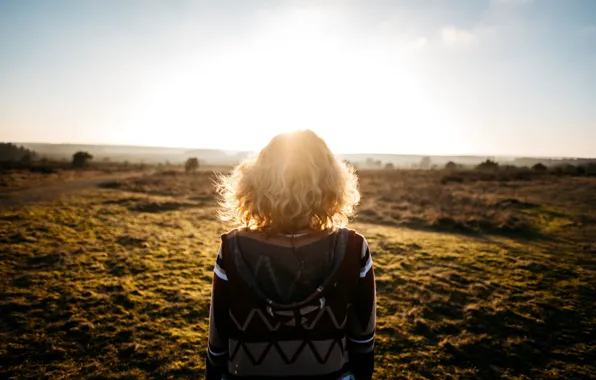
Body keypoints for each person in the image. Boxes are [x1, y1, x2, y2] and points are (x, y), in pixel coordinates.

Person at [207, 130, 376, 379]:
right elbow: (363, 341)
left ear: (257, 181)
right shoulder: (353, 247)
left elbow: (217, 342)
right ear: (330, 183)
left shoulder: (233, 248)